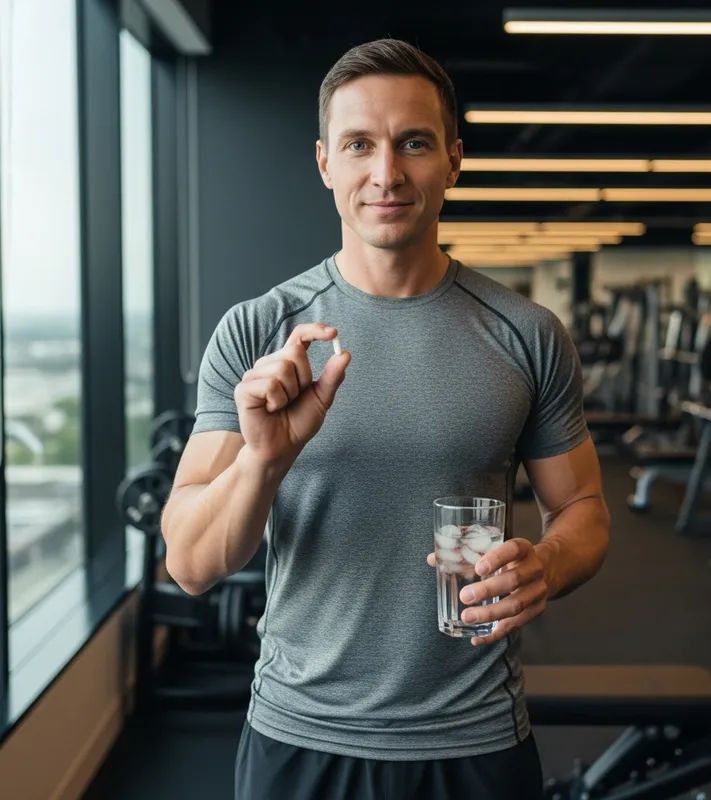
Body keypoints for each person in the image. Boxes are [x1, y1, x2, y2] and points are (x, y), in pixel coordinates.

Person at [161, 37, 611, 800]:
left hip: (475, 740)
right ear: (325, 163)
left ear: (454, 160)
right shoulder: (256, 331)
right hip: (300, 737)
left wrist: (549, 563)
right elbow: (192, 565)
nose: (387, 173)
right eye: (359, 144)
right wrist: (265, 461)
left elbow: (584, 510)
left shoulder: (526, 333)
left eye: (414, 144)